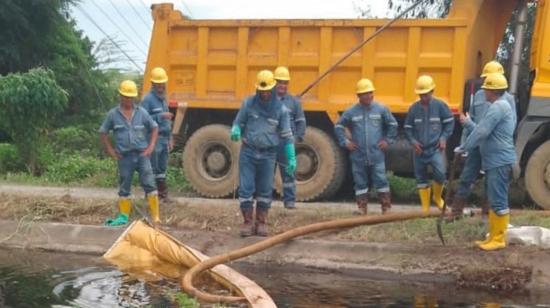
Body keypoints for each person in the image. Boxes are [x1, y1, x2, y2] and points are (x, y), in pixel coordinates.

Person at [230, 70, 296, 237]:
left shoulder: (281, 110)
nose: (265, 94)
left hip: (268, 155)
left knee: (265, 189)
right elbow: (238, 122)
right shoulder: (248, 104)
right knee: (246, 188)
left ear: (273, 89)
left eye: (267, 91)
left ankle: (261, 223)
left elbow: (287, 136)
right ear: (257, 89)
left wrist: (291, 158)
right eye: (262, 91)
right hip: (248, 152)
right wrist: (236, 130)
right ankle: (247, 222)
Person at [448, 61, 516, 221]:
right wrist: (465, 143)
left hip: (492, 148)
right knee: (466, 177)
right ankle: (456, 212)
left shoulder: (506, 102)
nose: (484, 85)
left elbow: (502, 128)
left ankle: (487, 216)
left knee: (490, 182)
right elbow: (471, 122)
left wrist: (467, 142)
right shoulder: (479, 95)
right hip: (476, 145)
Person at [456, 73, 516, 251]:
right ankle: (494, 236)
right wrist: (468, 125)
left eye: (486, 90)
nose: (484, 93)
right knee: (496, 197)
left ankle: (498, 238)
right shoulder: (501, 106)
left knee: (498, 200)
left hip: (499, 161)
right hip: (495, 161)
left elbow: (482, 131)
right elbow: (483, 131)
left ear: (492, 91)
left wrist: (464, 147)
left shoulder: (498, 107)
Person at [100, 80, 160, 226]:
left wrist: (151, 146)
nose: (128, 100)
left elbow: (154, 127)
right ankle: (123, 217)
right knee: (124, 186)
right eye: (125, 97)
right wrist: (110, 150)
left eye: (131, 97)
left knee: (149, 183)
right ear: (120, 96)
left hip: (142, 155)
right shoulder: (113, 115)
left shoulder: (142, 112)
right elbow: (103, 132)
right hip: (124, 156)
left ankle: (156, 217)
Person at [334, 78, 398, 215]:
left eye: (370, 92)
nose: (368, 96)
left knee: (381, 180)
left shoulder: (381, 109)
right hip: (358, 155)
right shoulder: (351, 112)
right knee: (360, 182)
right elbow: (339, 126)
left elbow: (393, 125)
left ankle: (386, 208)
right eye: (365, 93)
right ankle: (362, 208)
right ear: (358, 96)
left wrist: (388, 140)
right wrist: (345, 142)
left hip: (376, 154)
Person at [404, 75, 455, 213]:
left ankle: (437, 198)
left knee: (440, 173)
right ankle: (425, 209)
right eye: (421, 95)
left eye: (426, 95)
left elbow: (450, 122)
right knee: (421, 178)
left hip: (435, 149)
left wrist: (444, 138)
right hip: (419, 150)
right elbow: (407, 128)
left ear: (432, 92)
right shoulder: (414, 109)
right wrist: (413, 142)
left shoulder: (440, 106)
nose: (423, 98)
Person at [273, 66, 306, 209]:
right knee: (267, 174)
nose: (282, 85)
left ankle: (290, 202)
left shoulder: (294, 102)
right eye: (279, 82)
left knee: (288, 173)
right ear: (274, 83)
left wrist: (297, 138)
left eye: (285, 82)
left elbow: (301, 122)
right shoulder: (267, 100)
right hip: (270, 142)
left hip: (286, 143)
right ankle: (264, 202)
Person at [141, 67, 174, 203]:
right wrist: (161, 116)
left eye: (162, 84)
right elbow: (143, 119)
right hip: (153, 139)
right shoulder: (148, 100)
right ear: (153, 84)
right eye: (158, 84)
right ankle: (150, 197)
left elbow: (167, 123)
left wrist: (170, 138)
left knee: (161, 169)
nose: (161, 86)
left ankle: (163, 196)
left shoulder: (163, 99)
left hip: (164, 138)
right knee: (152, 169)